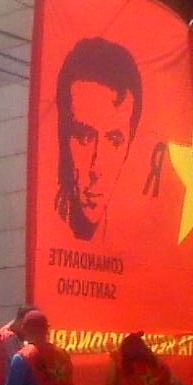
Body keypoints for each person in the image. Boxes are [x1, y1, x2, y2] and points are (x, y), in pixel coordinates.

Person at [53, 37, 143, 241]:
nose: (96, 168)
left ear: (130, 142)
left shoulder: (130, 236)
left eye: (114, 140)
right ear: (63, 135)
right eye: (85, 136)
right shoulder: (49, 222)